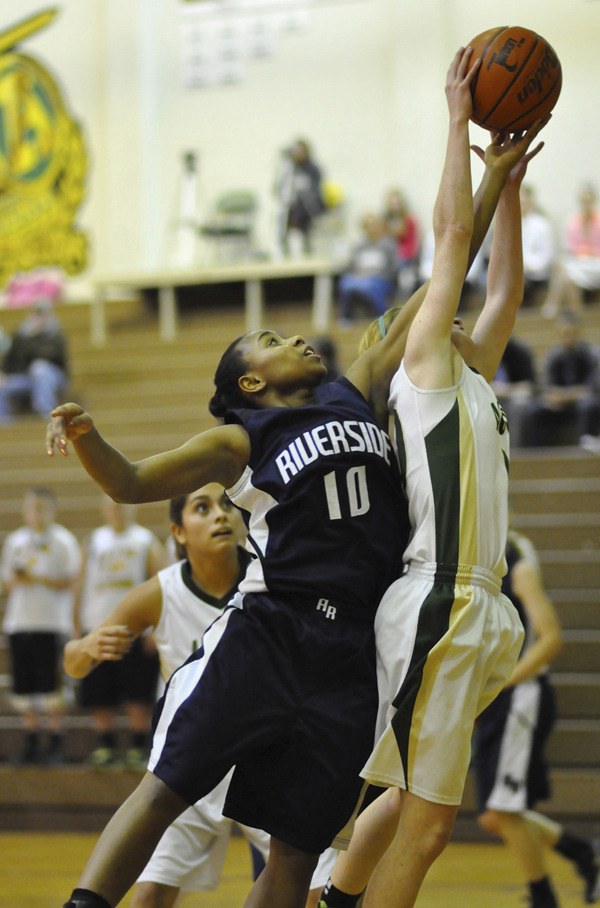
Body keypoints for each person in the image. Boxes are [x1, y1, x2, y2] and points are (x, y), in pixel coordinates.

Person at [48, 48, 538, 908]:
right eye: (273, 342)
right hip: (271, 629)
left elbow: (446, 269)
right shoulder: (242, 437)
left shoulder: (360, 385)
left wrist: (495, 177)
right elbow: (129, 482)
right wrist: (87, 435)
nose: (297, 340)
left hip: (351, 649)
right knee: (167, 788)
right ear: (250, 381)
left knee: (295, 849)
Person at [318, 47, 546, 908]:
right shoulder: (423, 369)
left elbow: (506, 290)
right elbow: (454, 240)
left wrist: (509, 187)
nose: (453, 310)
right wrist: (458, 125)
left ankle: (336, 896)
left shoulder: (474, 376)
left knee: (408, 792)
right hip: (439, 599)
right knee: (430, 826)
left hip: (483, 608)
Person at [474, 528, 600, 908]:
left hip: (521, 698)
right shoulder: (476, 568)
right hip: (498, 701)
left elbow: (551, 638)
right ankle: (584, 853)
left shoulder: (518, 565)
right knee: (493, 816)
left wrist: (501, 684)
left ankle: (545, 898)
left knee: (502, 810)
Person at [73, 495, 166, 768]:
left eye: (122, 506)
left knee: (138, 692)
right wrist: (77, 624)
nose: (117, 511)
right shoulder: (93, 541)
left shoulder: (145, 540)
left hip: (135, 629)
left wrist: (155, 628)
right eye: (112, 506)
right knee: (100, 691)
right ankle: (105, 746)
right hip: (97, 627)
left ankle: (138, 746)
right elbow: (80, 583)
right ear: (104, 509)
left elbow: (160, 586)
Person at [0, 487, 81, 765]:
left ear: (51, 510)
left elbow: (71, 581)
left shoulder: (63, 540)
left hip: (52, 623)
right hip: (20, 622)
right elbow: (7, 583)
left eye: (41, 508)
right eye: (32, 508)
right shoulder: (15, 541)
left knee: (52, 686)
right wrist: (18, 578)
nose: (36, 514)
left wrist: (38, 578)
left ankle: (55, 741)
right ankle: (32, 740)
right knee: (25, 685)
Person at [523, 310, 600, 450]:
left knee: (588, 406)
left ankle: (587, 449)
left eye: (570, 333)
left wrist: (565, 396)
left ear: (578, 332)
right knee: (535, 410)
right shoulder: (554, 356)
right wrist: (560, 396)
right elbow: (547, 389)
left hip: (582, 403)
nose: (567, 337)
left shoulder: (591, 354)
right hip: (560, 405)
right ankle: (539, 451)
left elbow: (591, 388)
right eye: (564, 333)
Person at [0, 298, 69, 423]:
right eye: (36, 314)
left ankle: (46, 413)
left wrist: (31, 338)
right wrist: (3, 374)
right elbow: (11, 360)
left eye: (42, 315)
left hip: (52, 377)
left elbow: (51, 355)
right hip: (26, 379)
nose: (39, 318)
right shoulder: (21, 336)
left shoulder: (55, 336)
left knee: (39, 368)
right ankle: (4, 422)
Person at [542, 183, 600, 318]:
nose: (586, 204)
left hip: (596, 264)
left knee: (565, 274)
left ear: (594, 201)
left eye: (589, 201)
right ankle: (576, 314)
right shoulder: (572, 222)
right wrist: (586, 251)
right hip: (579, 263)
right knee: (564, 274)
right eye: (584, 201)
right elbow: (569, 248)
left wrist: (587, 252)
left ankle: (552, 304)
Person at [337, 213, 399, 325]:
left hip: (380, 280)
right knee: (345, 283)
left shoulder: (388, 245)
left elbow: (394, 267)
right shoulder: (359, 246)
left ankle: (384, 317)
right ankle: (346, 318)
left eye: (374, 225)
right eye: (368, 226)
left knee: (370, 286)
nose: (371, 228)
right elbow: (350, 266)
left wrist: (376, 276)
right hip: (359, 278)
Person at [276, 138, 325, 255]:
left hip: (310, 206)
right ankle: (285, 249)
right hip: (293, 205)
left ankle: (308, 247)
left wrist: (304, 188)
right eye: (296, 152)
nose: (298, 154)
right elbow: (280, 189)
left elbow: (317, 190)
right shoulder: (289, 169)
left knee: (302, 214)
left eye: (301, 151)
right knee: (283, 216)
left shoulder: (313, 169)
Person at [490, 335, 538, 448]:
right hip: (489, 394)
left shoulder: (520, 351)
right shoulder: (484, 350)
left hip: (512, 395)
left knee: (519, 404)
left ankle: (514, 450)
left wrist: (506, 389)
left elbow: (530, 386)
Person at [520, 183, 556, 307]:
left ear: (530, 201)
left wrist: (526, 267)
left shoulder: (543, 225)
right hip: (515, 273)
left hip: (536, 275)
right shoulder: (507, 225)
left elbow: (547, 257)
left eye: (523, 200)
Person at [382, 188, 421, 297]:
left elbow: (412, 246)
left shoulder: (409, 221)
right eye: (392, 203)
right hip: (388, 258)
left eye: (397, 203)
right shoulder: (385, 221)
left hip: (405, 258)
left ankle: (403, 296)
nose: (395, 206)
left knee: (404, 274)